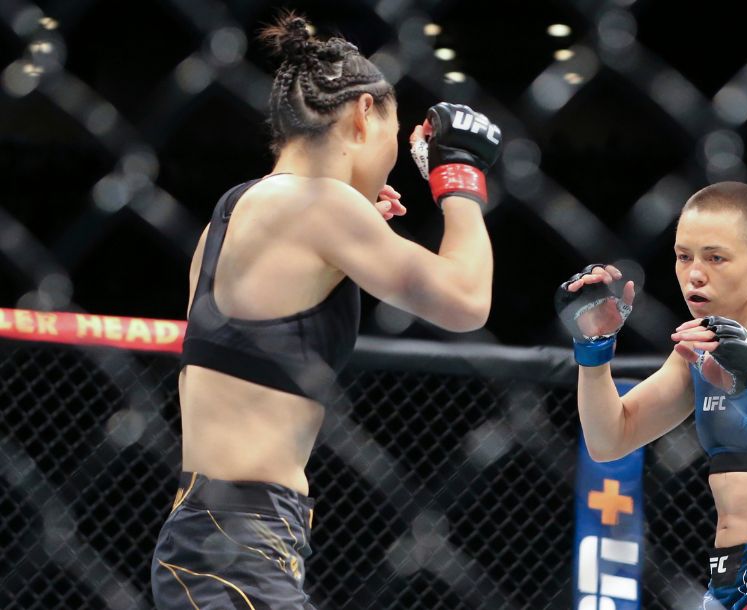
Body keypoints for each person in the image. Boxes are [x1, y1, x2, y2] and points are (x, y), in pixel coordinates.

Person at [150, 12, 502, 609]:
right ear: (364, 114)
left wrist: (356, 230)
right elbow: (467, 302)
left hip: (221, 537)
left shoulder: (234, 211)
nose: (393, 160)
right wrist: (459, 182)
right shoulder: (319, 205)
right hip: (240, 543)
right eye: (392, 137)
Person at [556, 182, 747, 609]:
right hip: (726, 580)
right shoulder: (699, 348)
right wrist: (594, 351)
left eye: (715, 257)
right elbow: (610, 440)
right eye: (684, 257)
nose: (695, 274)